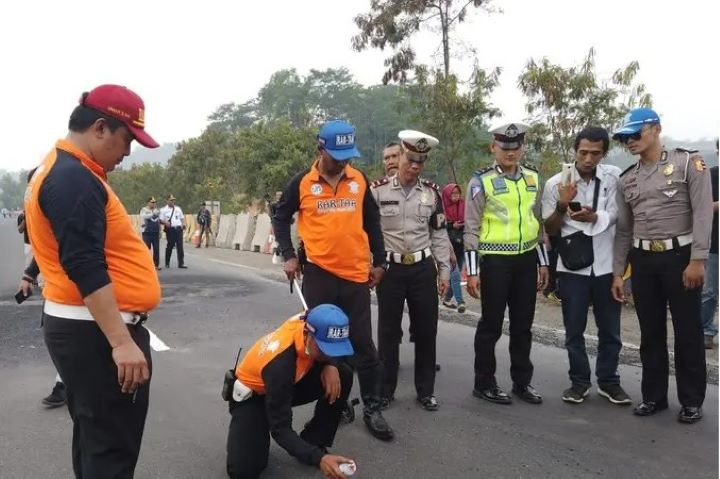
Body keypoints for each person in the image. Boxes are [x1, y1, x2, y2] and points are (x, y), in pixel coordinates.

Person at [23, 84, 161, 476]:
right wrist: (121, 342)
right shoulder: (73, 179)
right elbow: (84, 264)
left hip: (85, 330)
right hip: (97, 335)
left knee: (95, 440)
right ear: (100, 128)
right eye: (126, 140)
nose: (127, 153)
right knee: (111, 450)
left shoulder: (61, 169)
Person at [272, 119, 394, 441]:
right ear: (320, 148)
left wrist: (380, 261)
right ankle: (334, 405)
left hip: (355, 275)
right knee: (325, 342)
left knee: (363, 345)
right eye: (337, 155)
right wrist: (288, 254)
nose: (343, 162)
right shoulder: (302, 182)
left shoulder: (359, 180)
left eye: (347, 155)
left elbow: (372, 222)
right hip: (319, 274)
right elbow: (280, 216)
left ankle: (372, 407)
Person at [611, 107, 711, 424]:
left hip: (680, 258)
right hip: (643, 261)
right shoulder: (627, 179)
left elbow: (703, 214)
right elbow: (624, 230)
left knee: (688, 331)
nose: (630, 142)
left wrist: (698, 259)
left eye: (635, 134)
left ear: (655, 129)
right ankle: (653, 397)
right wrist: (618, 272)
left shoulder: (687, 164)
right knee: (650, 332)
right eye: (625, 138)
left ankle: (691, 400)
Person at [542, 127, 630, 405]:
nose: (588, 159)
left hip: (606, 266)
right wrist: (561, 205)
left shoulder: (614, 177)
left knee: (611, 331)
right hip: (572, 269)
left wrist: (596, 217)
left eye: (595, 153)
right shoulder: (556, 182)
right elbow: (550, 228)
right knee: (574, 331)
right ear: (575, 151)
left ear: (604, 153)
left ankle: (608, 381)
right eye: (583, 152)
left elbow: (622, 216)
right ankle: (579, 382)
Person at [464, 122, 549, 405]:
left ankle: (522, 382)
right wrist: (473, 272)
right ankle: (484, 382)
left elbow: (539, 225)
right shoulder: (481, 181)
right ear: (493, 147)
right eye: (504, 147)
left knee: (523, 325)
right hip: (495, 263)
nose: (510, 153)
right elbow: (471, 229)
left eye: (515, 147)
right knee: (491, 325)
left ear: (522, 148)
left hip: (526, 260)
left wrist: (543, 263)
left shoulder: (533, 178)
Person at [370, 130, 452, 412]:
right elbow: (367, 232)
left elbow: (439, 235)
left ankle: (425, 391)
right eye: (410, 159)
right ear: (399, 156)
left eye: (421, 161)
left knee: (427, 331)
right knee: (388, 333)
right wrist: (371, 265)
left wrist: (443, 271)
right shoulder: (377, 191)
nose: (414, 166)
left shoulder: (431, 193)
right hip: (390, 270)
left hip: (421, 269)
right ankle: (385, 390)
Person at [226, 304, 356, 479]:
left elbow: (332, 346)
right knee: (244, 471)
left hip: (291, 381)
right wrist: (320, 459)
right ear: (308, 335)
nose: (330, 354)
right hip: (254, 396)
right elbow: (281, 429)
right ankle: (259, 422)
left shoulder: (313, 319)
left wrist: (330, 364)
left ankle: (314, 439)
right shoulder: (280, 365)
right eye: (325, 349)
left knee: (343, 373)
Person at [701, 140, 718, 348]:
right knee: (710, 290)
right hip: (714, 243)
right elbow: (701, 207)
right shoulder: (711, 175)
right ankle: (705, 329)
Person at [441, 182, 467, 313]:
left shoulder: (463, 205)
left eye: (458, 194)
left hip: (461, 245)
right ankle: (460, 301)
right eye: (453, 194)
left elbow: (469, 219)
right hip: (448, 247)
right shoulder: (441, 208)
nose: (456, 196)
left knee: (455, 275)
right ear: (447, 195)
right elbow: (438, 228)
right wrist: (452, 225)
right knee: (456, 275)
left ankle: (446, 298)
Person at [160, 194, 188, 268]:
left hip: (178, 229)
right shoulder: (163, 210)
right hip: (170, 230)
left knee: (180, 247)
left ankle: (181, 263)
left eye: (173, 200)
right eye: (171, 200)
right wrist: (165, 223)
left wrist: (183, 224)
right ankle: (167, 262)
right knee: (170, 246)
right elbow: (160, 220)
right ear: (167, 201)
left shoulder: (178, 208)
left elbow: (181, 217)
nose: (172, 202)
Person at [140, 197, 162, 269]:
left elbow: (158, 221)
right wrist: (152, 214)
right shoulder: (144, 210)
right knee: (147, 249)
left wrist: (160, 231)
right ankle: (146, 264)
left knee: (156, 249)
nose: (154, 204)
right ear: (148, 203)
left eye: (154, 202)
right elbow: (144, 217)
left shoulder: (156, 210)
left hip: (155, 232)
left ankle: (156, 264)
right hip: (147, 232)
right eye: (152, 202)